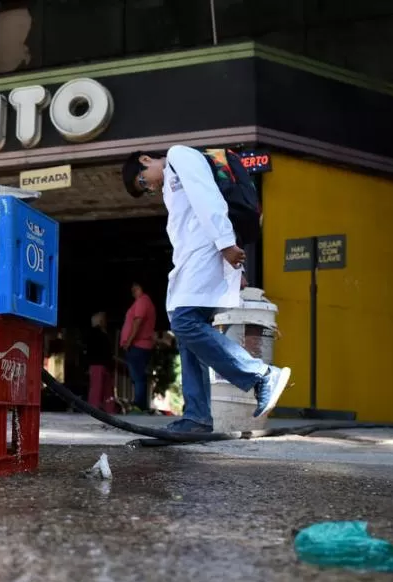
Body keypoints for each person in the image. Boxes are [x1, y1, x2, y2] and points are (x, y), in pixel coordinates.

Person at [122, 146, 291, 435]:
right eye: (144, 189)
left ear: (145, 160)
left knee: (185, 323)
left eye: (142, 181)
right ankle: (197, 417)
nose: (149, 187)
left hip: (206, 255)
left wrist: (226, 245)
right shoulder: (170, 183)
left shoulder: (179, 155)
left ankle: (260, 375)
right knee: (187, 332)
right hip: (195, 261)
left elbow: (207, 197)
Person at [120, 281, 156, 412]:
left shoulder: (142, 301)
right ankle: (141, 405)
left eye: (136, 288)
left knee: (138, 377)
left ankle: (139, 405)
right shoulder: (145, 301)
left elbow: (137, 321)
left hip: (138, 345)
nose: (133, 291)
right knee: (138, 376)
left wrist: (129, 341)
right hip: (140, 345)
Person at [86, 312, 117, 414]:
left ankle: (103, 408)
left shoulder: (99, 333)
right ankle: (97, 409)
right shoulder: (96, 333)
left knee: (101, 388)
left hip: (101, 364)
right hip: (99, 364)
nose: (106, 322)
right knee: (99, 388)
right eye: (104, 319)